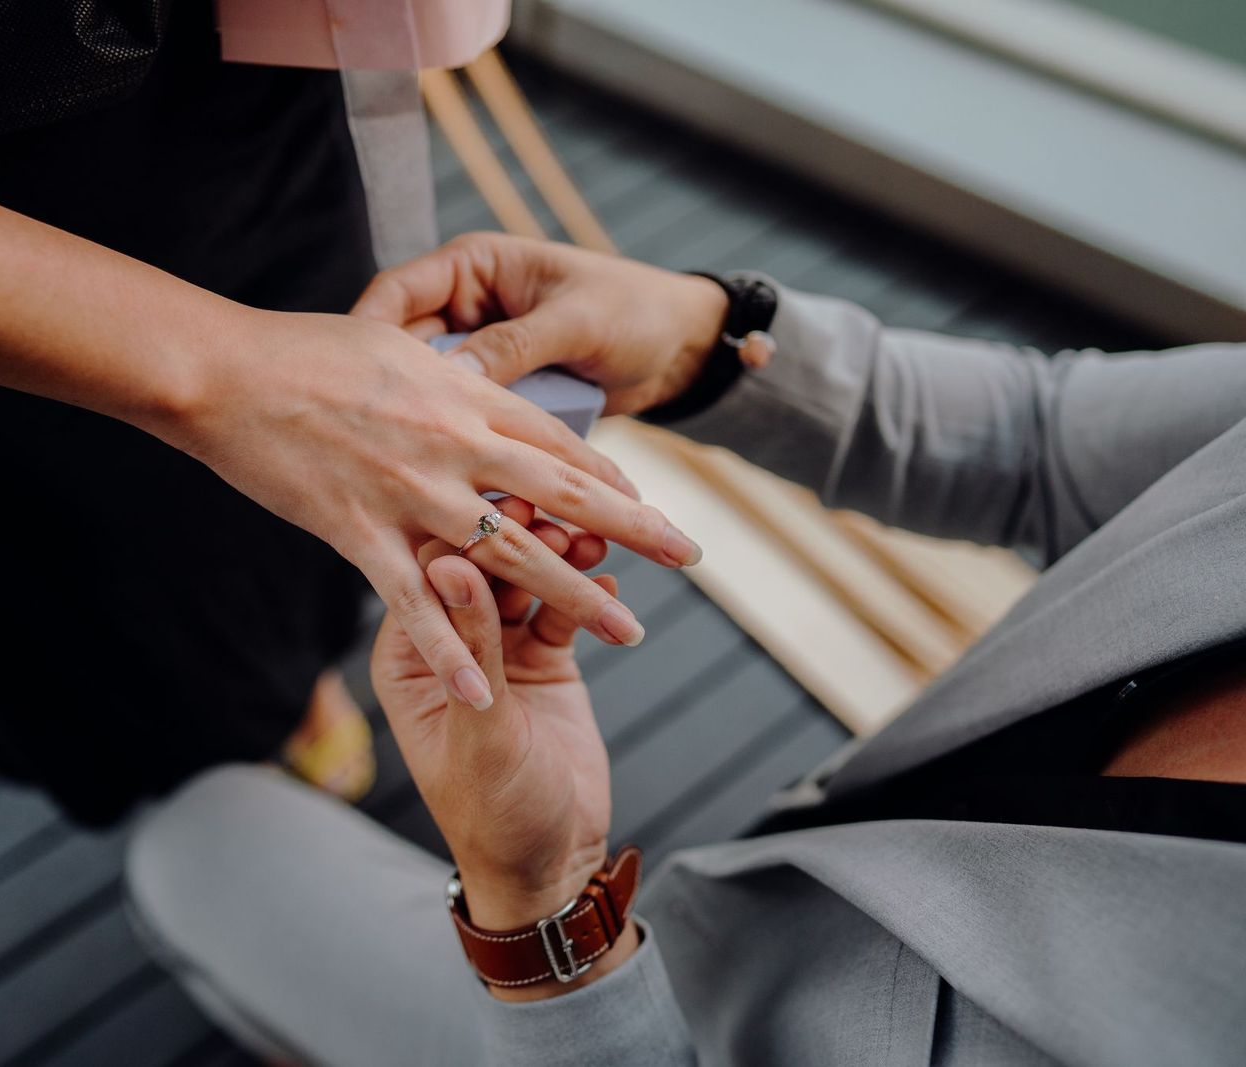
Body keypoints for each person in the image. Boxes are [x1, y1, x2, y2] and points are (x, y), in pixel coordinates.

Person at [125, 234, 1246, 1065]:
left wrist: (542, 903)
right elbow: (1046, 441)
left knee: (181, 844)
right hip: (705, 908)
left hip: (605, 1020)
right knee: (203, 833)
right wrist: (701, 340)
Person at [0, 15, 697, 825]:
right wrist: (225, 367)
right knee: (83, 598)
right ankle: (217, 783)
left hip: (236, 79)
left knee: (310, 521)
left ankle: (289, 696)